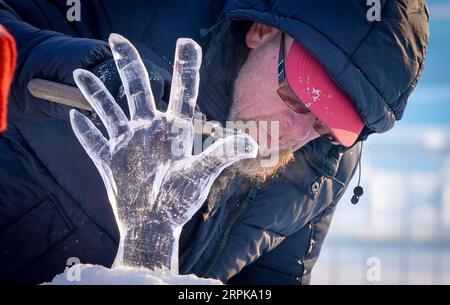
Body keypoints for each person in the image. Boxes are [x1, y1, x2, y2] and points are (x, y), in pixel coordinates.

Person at [0, 0, 429, 284]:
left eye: (327, 126)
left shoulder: (324, 164)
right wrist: (78, 70)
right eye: (298, 99)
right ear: (261, 30)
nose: (299, 136)